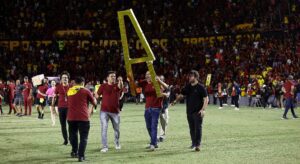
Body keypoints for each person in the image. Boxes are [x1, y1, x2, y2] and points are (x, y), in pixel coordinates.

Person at [172, 70, 209, 152]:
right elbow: (182, 95)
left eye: (191, 76)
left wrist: (203, 110)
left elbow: (206, 99)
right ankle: (193, 143)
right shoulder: (188, 86)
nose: (189, 77)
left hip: (198, 111)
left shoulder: (201, 87)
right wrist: (175, 101)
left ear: (196, 77)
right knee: (191, 128)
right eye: (189, 76)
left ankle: (198, 145)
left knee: (198, 128)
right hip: (189, 111)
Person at [137, 71, 169, 151]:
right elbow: (136, 85)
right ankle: (154, 142)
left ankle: (152, 144)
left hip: (156, 108)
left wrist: (159, 80)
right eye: (146, 74)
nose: (147, 76)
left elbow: (166, 87)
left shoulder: (157, 83)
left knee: (154, 126)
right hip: (147, 108)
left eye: (149, 74)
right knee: (148, 126)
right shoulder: (145, 84)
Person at [67, 76, 97, 162]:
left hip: (71, 117)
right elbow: (94, 103)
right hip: (83, 117)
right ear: (83, 83)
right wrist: (94, 97)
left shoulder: (69, 91)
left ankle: (74, 151)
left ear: (74, 83)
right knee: (83, 138)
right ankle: (81, 156)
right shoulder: (86, 91)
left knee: (73, 136)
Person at [96, 71, 123, 153]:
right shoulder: (103, 86)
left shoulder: (117, 85)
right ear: (107, 78)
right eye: (112, 76)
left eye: (114, 76)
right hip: (104, 111)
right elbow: (97, 94)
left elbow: (120, 87)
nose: (113, 77)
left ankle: (117, 142)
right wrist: (99, 100)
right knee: (104, 129)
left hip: (115, 111)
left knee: (116, 129)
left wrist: (120, 81)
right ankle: (104, 146)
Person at [52, 71, 70, 145]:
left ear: (68, 78)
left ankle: (71, 139)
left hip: (70, 108)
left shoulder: (71, 86)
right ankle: (65, 140)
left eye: (66, 77)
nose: (64, 79)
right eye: (63, 78)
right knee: (63, 125)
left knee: (71, 125)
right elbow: (54, 97)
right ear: (61, 79)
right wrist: (53, 107)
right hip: (61, 108)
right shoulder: (58, 86)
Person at [158, 75, 171, 142]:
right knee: (156, 123)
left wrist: (161, 93)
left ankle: (161, 136)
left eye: (161, 79)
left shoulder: (167, 87)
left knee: (164, 122)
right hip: (157, 107)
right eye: (159, 79)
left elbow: (167, 95)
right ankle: (156, 136)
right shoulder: (156, 87)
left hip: (165, 108)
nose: (160, 81)